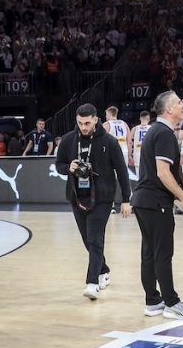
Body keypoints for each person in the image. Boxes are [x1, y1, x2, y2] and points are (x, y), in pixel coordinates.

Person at [131, 91, 183, 320]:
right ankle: (171, 302)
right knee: (163, 253)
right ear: (168, 109)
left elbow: (175, 160)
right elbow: (163, 172)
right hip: (155, 201)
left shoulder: (158, 131)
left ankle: (152, 301)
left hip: (143, 201)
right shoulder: (163, 133)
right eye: (179, 103)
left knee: (149, 252)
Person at [54, 103, 132, 299]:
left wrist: (125, 199)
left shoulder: (110, 142)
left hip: (102, 199)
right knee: (87, 240)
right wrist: (67, 168)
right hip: (77, 197)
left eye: (87, 123)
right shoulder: (68, 140)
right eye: (80, 123)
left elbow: (122, 171)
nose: (84, 127)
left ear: (96, 119)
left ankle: (92, 282)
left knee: (95, 238)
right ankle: (104, 270)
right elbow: (58, 164)